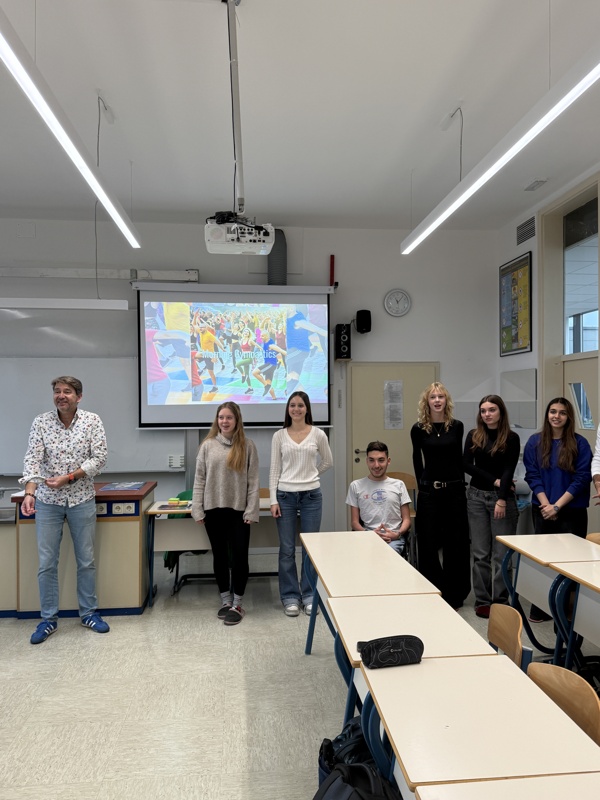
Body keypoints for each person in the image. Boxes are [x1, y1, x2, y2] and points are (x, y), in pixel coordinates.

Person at [20, 376, 109, 644]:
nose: (61, 395)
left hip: (81, 499)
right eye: (57, 391)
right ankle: (48, 619)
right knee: (47, 563)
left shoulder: (92, 421)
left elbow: (99, 458)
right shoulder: (41, 422)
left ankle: (89, 613)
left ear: (78, 397)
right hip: (48, 501)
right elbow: (32, 460)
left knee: (86, 560)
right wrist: (29, 493)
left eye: (67, 391)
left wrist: (69, 478)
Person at [523, 396, 592, 622]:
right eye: (553, 411)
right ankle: (540, 609)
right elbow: (532, 476)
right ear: (547, 414)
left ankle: (566, 612)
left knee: (570, 564)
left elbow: (581, 479)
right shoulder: (535, 442)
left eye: (562, 412)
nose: (557, 416)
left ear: (568, 416)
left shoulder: (580, 443)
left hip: (572, 511)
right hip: (542, 509)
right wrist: (546, 505)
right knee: (543, 561)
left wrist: (557, 506)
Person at [191, 401, 259, 625]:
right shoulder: (207, 446)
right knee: (219, 557)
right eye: (221, 417)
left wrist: (251, 510)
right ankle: (225, 600)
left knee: (239, 557)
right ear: (217, 420)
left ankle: (237, 603)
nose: (225, 421)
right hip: (213, 510)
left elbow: (253, 482)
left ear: (237, 420)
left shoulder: (247, 446)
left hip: (239, 511)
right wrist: (197, 508)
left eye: (229, 417)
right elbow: (199, 479)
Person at [269, 391, 333, 616]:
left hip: (311, 497)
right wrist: (273, 499)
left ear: (307, 409)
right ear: (288, 409)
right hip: (285, 497)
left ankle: (308, 595)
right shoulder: (279, 436)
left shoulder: (318, 434)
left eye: (300, 405)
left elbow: (328, 461)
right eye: (292, 405)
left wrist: (311, 474)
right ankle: (290, 597)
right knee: (287, 549)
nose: (296, 409)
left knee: (310, 549)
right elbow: (274, 469)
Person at [410, 381, 471, 608]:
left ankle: (455, 593)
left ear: (447, 401)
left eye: (441, 397)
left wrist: (461, 487)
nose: (437, 400)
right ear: (427, 402)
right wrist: (422, 486)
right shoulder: (418, 429)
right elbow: (417, 459)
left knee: (456, 543)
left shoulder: (456, 426)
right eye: (433, 397)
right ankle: (432, 590)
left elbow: (458, 459)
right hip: (429, 493)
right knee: (428, 543)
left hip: (454, 491)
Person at [463, 395, 520, 618]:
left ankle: (501, 600)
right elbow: (466, 465)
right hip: (476, 497)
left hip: (502, 499)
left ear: (501, 412)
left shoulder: (511, 438)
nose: (487, 414)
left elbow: (508, 470)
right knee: (480, 554)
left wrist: (502, 497)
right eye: (483, 410)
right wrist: (493, 480)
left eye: (492, 410)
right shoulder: (474, 435)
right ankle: (483, 600)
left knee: (502, 555)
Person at [346, 441, 411, 555]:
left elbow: (407, 520)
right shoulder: (356, 486)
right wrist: (369, 534)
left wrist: (397, 534)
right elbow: (354, 522)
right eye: (371, 460)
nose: (376, 465)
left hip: (393, 538)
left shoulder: (399, 485)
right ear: (367, 461)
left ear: (388, 461)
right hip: (368, 536)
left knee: (386, 555)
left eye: (381, 460)